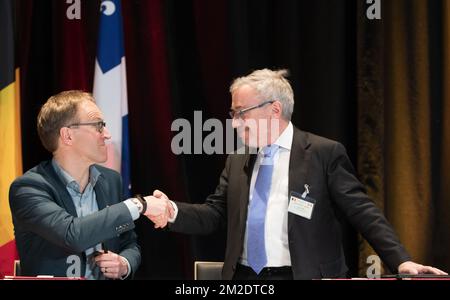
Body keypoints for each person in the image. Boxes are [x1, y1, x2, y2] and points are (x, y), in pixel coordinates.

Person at [148, 69, 448, 280]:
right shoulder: (238, 158)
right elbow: (215, 213)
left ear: (274, 109)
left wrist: (401, 259)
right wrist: (172, 211)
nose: (235, 123)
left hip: (303, 275)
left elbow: (362, 211)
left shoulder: (322, 153)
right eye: (233, 114)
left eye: (241, 113)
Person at [9, 90, 170, 279]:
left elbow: (129, 243)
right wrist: (140, 205)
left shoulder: (111, 181)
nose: (107, 134)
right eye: (98, 126)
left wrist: (124, 264)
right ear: (67, 135)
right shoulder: (28, 188)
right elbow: (72, 234)